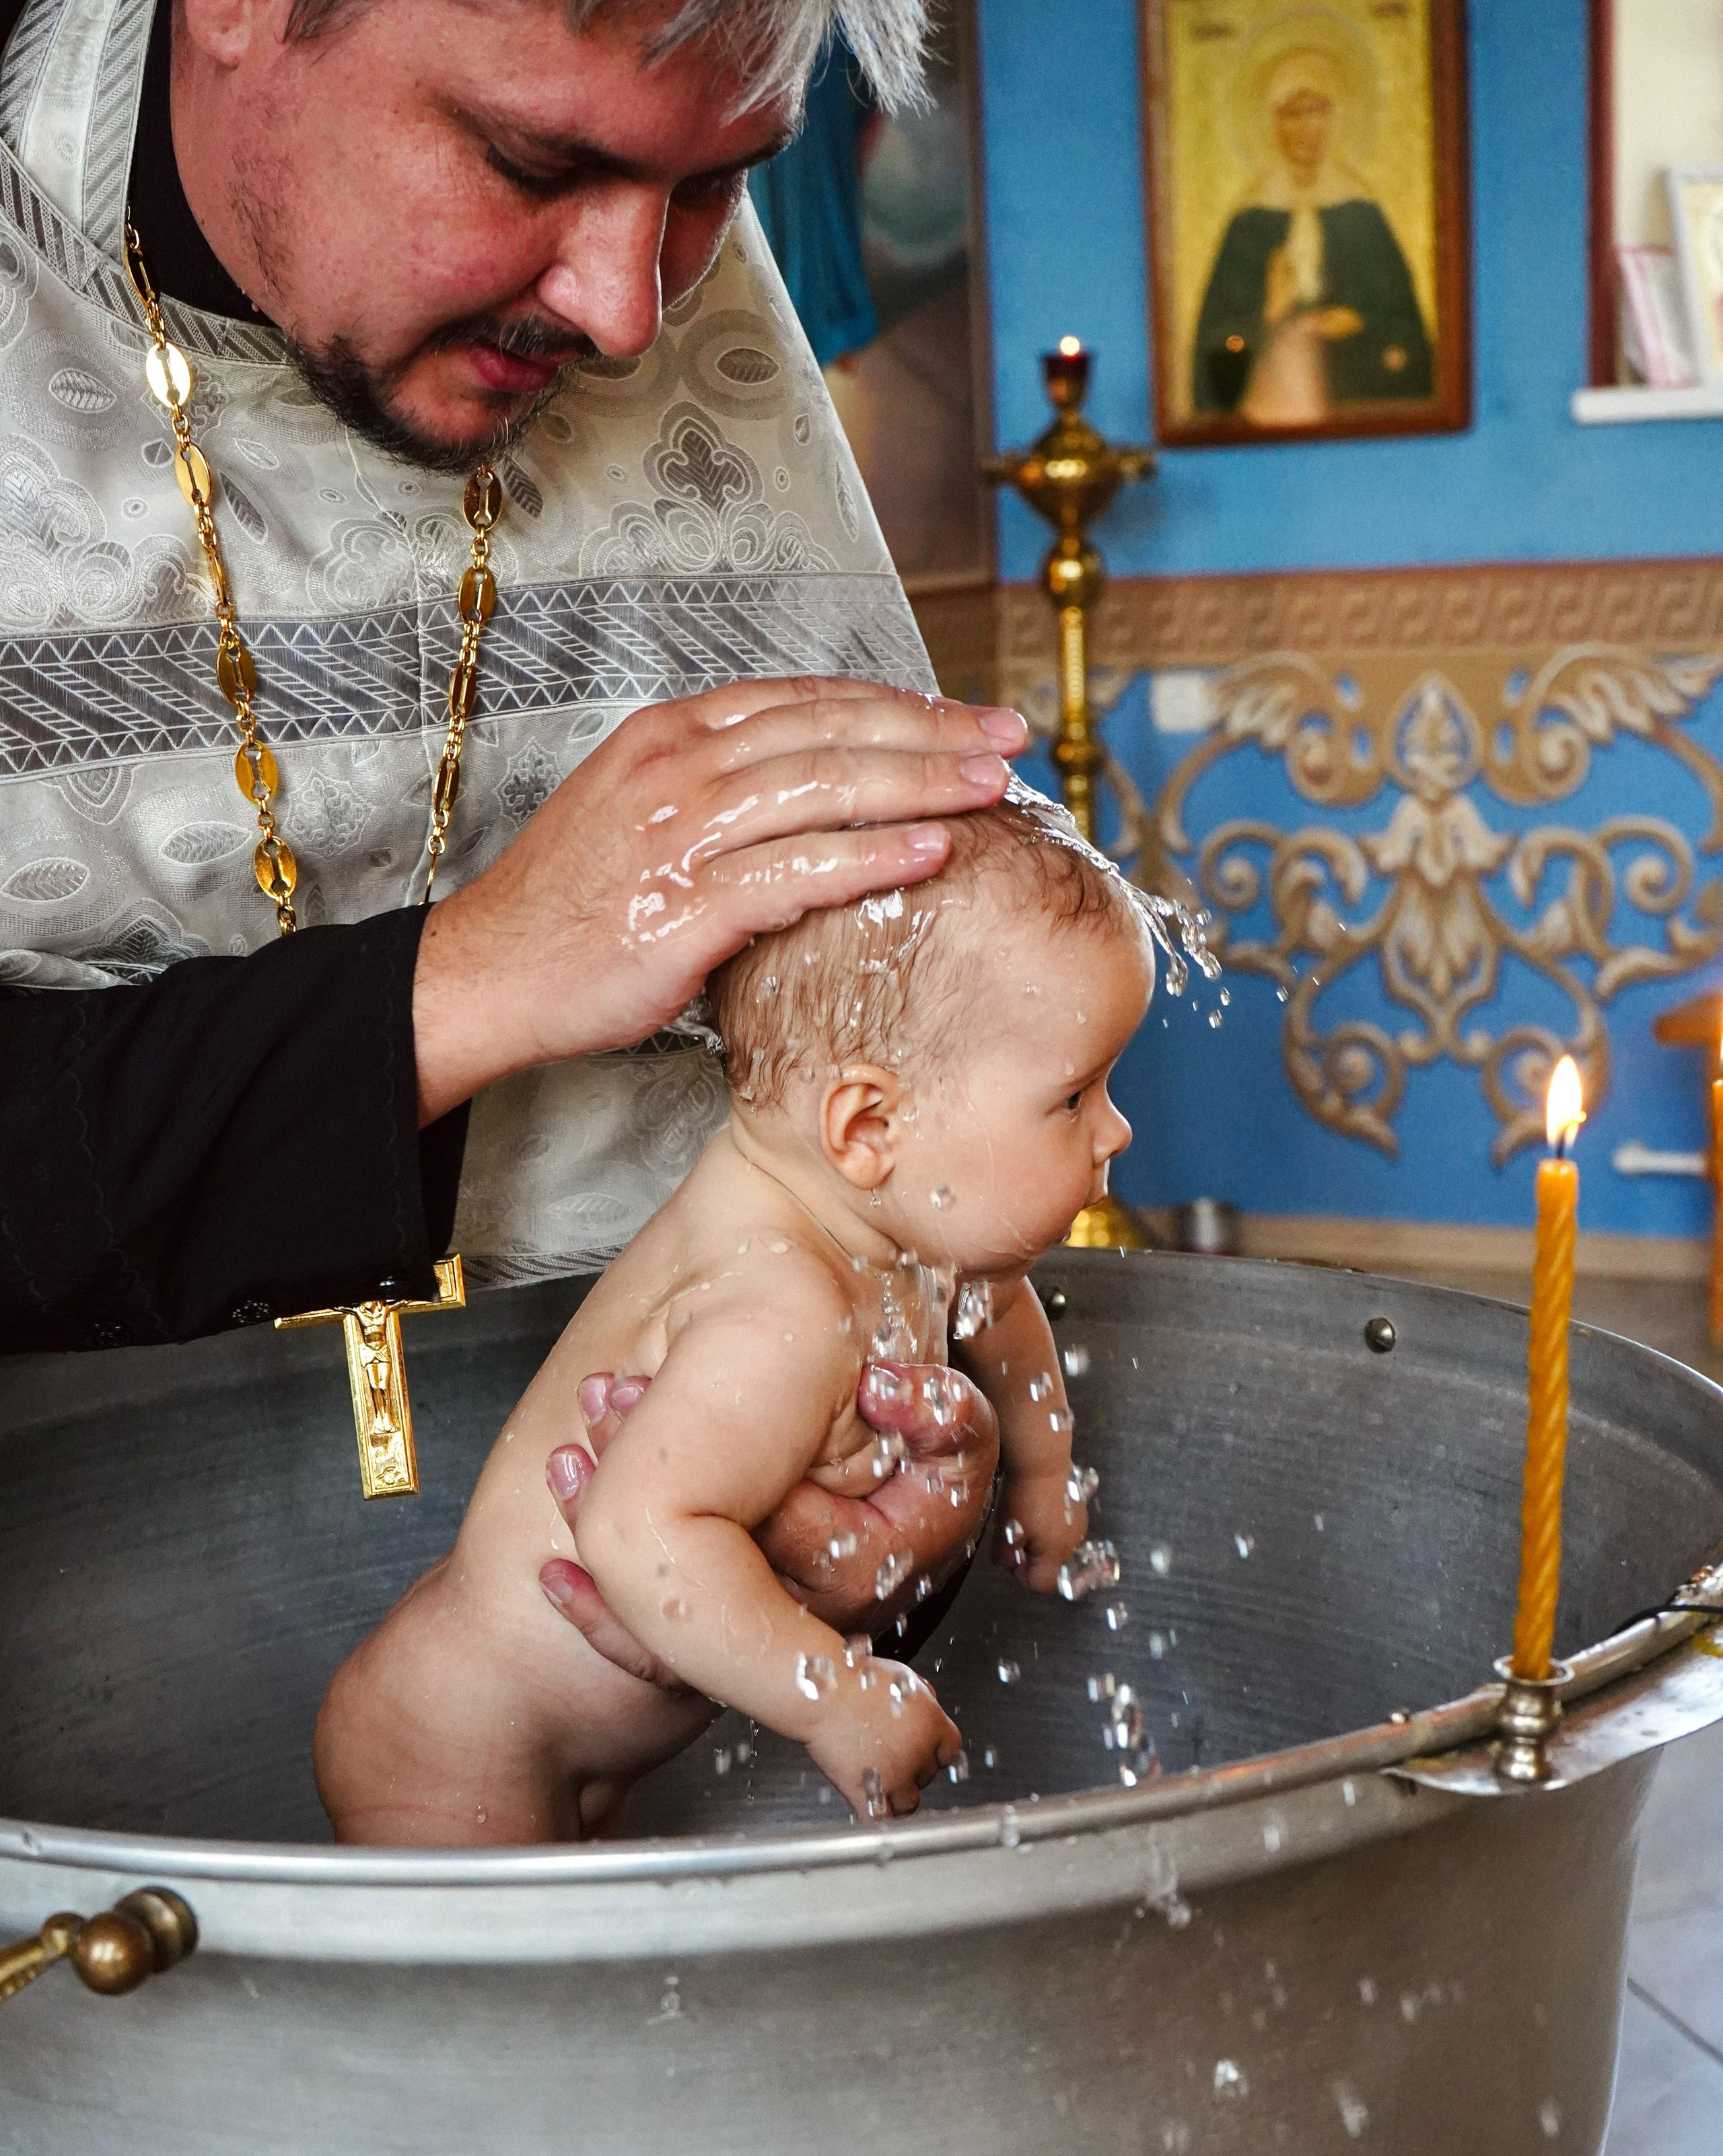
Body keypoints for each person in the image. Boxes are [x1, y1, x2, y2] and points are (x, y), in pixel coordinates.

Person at [0, 0, 1014, 1657]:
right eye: (533, 164)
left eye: (717, 189)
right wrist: (466, 982)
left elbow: (878, 1081)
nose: (625, 319)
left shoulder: (643, 263)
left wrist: (870, 1382)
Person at [314, 785, 1156, 1843]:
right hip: (460, 1743)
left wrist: (1043, 1471)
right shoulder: (781, 1307)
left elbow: (996, 1305)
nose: (1118, 1131)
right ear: (869, 1125)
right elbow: (633, 1531)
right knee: (512, 1960)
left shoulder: (888, 1215)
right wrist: (835, 1697)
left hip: (571, 1737)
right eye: (1075, 1097)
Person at [1192, 37, 1432, 427]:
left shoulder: (1362, 215)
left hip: (1352, 392)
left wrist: (1358, 321)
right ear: (1272, 123)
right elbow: (1213, 350)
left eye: (1317, 111)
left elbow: (1406, 328)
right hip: (1269, 397)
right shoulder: (1249, 223)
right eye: (1292, 113)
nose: (1306, 127)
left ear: (1335, 118)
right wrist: (1267, 312)